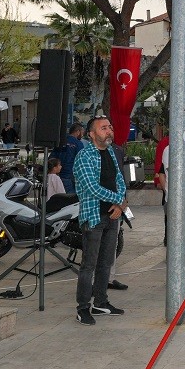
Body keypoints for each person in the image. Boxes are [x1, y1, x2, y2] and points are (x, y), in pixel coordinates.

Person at [73, 115, 128, 322]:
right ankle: (83, 307)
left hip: (112, 215)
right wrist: (119, 201)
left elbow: (119, 180)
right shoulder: (84, 156)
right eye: (104, 128)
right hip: (94, 216)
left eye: (110, 127)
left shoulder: (112, 153)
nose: (109, 131)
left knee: (106, 263)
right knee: (89, 264)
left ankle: (101, 302)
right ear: (91, 134)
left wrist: (119, 203)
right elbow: (91, 187)